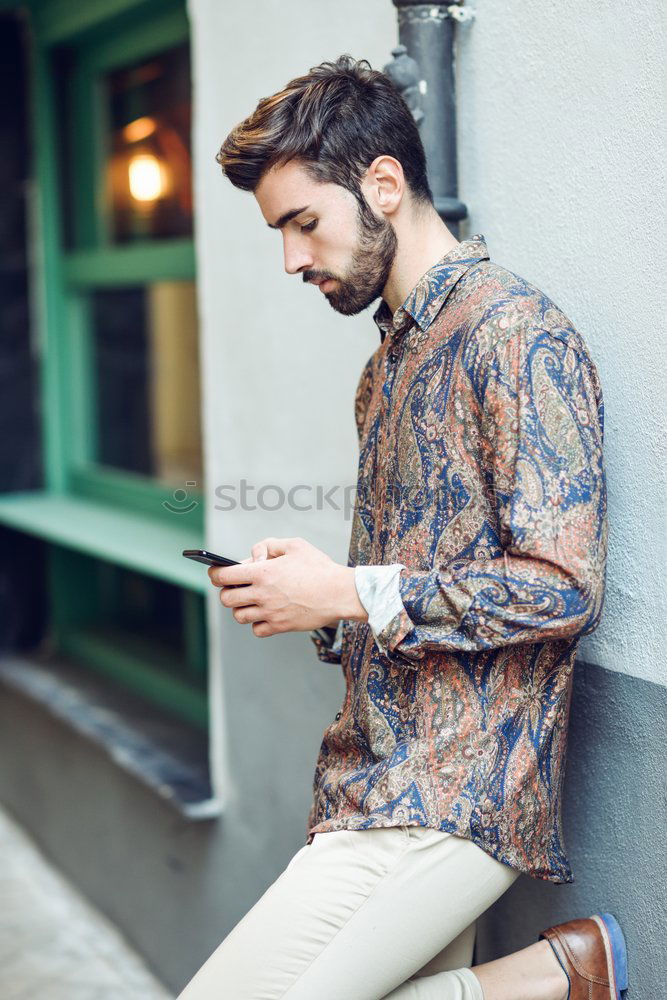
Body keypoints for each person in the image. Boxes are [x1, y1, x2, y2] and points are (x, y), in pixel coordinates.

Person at [178, 56, 628, 1000]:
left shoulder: (514, 333)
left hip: (456, 796)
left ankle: (548, 977)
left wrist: (344, 590)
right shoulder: (383, 371)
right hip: (366, 780)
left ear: (382, 184)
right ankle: (556, 976)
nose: (292, 259)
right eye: (280, 232)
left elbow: (561, 586)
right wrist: (313, 596)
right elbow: (405, 590)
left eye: (305, 223)